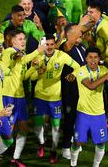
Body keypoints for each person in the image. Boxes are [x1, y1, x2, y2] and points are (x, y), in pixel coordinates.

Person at [27, 34, 79, 163]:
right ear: (43, 45)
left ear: (55, 45)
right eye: (47, 45)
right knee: (39, 125)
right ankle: (41, 143)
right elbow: (31, 78)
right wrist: (38, 71)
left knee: (56, 126)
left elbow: (78, 66)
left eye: (51, 44)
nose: (49, 47)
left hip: (55, 98)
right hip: (40, 96)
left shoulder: (61, 56)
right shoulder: (37, 57)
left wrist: (73, 74)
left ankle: (53, 151)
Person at [0, 29, 46, 166]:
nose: (23, 41)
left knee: (24, 127)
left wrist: (34, 68)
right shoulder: (9, 52)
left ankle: (16, 157)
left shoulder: (22, 54)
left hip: (20, 96)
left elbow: (24, 77)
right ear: (12, 41)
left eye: (24, 39)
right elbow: (17, 59)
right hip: (9, 96)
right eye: (19, 39)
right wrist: (38, 51)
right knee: (8, 130)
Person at [69, 47, 108, 167]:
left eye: (95, 57)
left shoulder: (103, 70)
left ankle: (96, 165)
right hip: (83, 114)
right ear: (86, 58)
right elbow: (91, 86)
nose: (93, 60)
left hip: (99, 114)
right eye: (90, 57)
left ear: (99, 58)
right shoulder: (81, 71)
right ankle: (73, 163)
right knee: (77, 142)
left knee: (101, 144)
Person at [59, 22, 86, 159]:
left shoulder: (81, 46)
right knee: (70, 118)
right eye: (76, 31)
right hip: (69, 89)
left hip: (82, 88)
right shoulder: (65, 48)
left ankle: (75, 140)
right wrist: (82, 23)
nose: (80, 33)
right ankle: (65, 147)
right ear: (69, 35)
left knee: (80, 116)